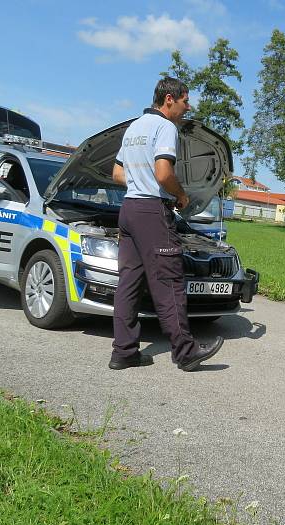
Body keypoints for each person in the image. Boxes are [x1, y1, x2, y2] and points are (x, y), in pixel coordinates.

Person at [109, 76, 224, 372]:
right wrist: (181, 195)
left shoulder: (134, 127)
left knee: (129, 283)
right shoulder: (164, 127)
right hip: (152, 211)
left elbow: (117, 174)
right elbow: (163, 173)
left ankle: (124, 351)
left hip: (129, 210)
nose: (188, 107)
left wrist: (139, 180)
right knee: (169, 281)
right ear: (170, 99)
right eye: (186, 101)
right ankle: (186, 352)